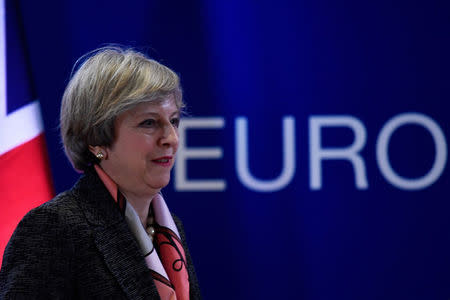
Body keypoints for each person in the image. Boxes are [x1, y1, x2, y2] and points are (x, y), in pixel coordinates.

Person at [0, 47, 201, 299]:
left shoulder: (169, 228)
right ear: (97, 139)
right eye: (149, 123)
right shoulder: (55, 227)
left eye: (173, 121)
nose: (171, 138)